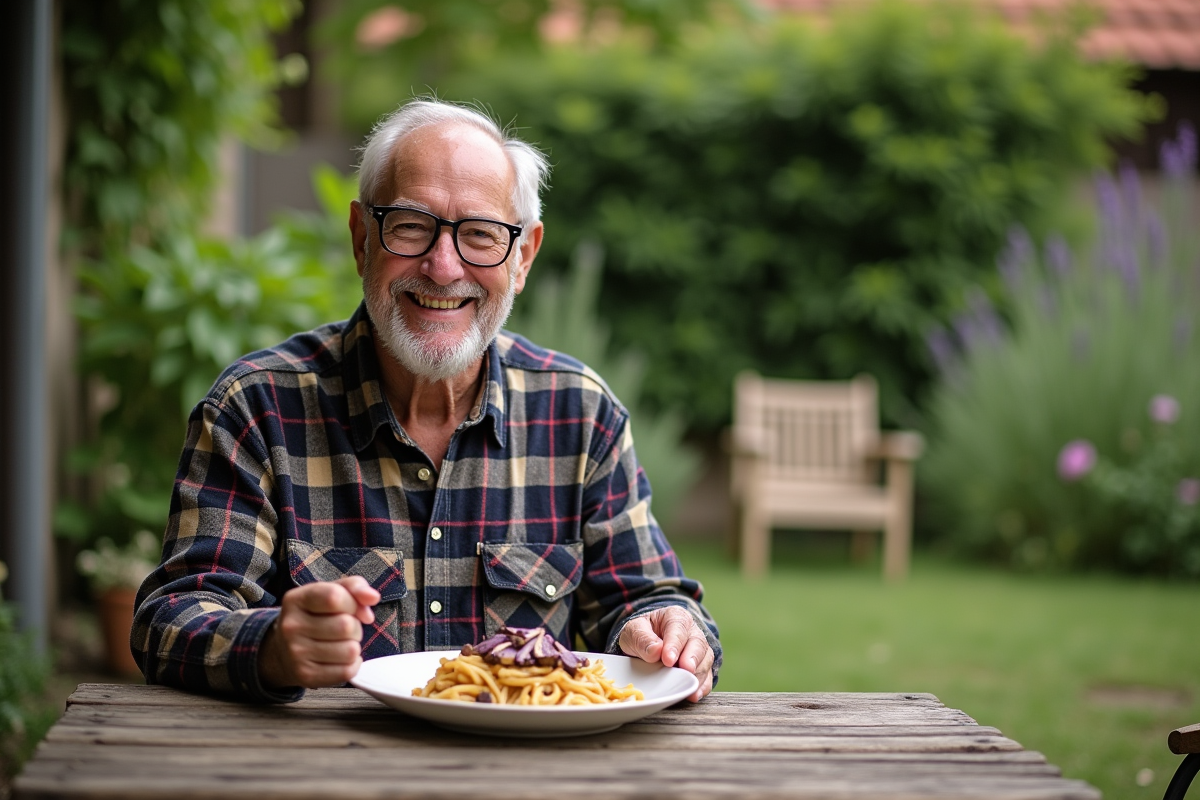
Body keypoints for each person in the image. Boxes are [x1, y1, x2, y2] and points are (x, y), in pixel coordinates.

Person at [132, 98, 720, 704]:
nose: (443, 268)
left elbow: (642, 597)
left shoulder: (580, 414)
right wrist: (272, 645)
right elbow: (170, 618)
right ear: (363, 238)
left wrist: (670, 634)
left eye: (481, 235)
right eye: (411, 226)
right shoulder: (256, 408)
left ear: (522, 257)